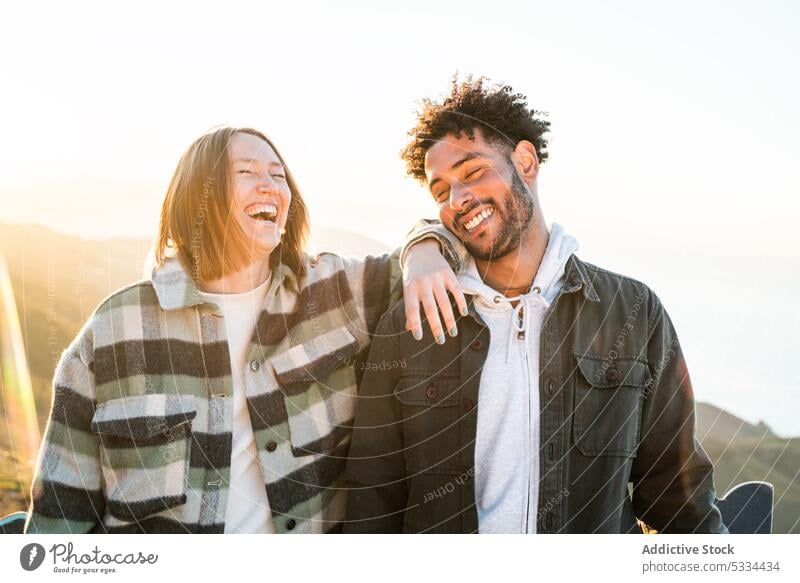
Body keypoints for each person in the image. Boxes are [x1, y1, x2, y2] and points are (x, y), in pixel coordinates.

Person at [24, 126, 465, 534]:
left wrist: (423, 249)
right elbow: (60, 513)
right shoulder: (114, 330)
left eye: (278, 174)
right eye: (248, 172)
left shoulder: (336, 293)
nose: (271, 185)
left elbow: (448, 240)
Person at [344, 78, 728, 534]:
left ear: (525, 162)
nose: (457, 199)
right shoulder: (411, 324)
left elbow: (678, 498)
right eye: (441, 190)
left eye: (471, 172)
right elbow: (373, 504)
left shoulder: (633, 313)